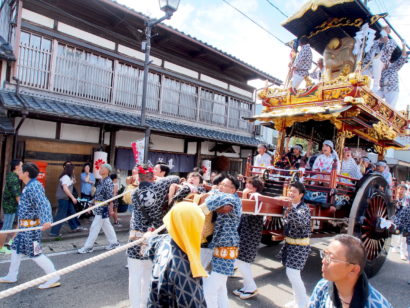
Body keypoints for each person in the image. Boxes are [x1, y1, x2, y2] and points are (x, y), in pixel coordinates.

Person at [0, 163, 60, 289]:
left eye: (21, 170)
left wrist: (46, 220)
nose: (19, 172)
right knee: (16, 248)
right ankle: (12, 275)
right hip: (24, 228)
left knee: (35, 253)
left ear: (26, 173)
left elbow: (43, 203)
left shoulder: (34, 186)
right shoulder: (30, 185)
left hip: (31, 229)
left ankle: (54, 276)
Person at [127, 164, 179, 308]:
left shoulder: (134, 193)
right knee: (149, 274)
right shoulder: (161, 185)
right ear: (152, 176)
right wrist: (158, 180)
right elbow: (175, 177)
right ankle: (145, 304)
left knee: (134, 275)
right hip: (155, 236)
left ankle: (134, 305)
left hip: (136, 237)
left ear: (139, 177)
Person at [145, 202, 208, 307]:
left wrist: (148, 236)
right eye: (200, 223)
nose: (204, 228)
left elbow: (151, 243)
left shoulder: (164, 242)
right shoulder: (185, 266)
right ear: (189, 226)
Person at [308, 234, 393, 307]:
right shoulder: (322, 287)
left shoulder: (377, 304)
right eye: (325, 254)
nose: (323, 261)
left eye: (331, 258)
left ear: (353, 269)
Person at [200, 175, 242, 308]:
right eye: (220, 184)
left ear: (233, 189)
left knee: (209, 290)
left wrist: (200, 207)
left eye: (224, 185)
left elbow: (211, 201)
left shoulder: (231, 199)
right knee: (221, 289)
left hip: (227, 246)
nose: (221, 187)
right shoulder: (227, 196)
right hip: (221, 245)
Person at [233, 176, 264, 300]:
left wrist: (245, 195)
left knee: (242, 261)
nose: (246, 185)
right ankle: (246, 287)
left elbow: (244, 208)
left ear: (254, 187)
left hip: (250, 234)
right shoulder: (254, 196)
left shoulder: (256, 197)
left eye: (249, 184)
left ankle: (251, 288)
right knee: (243, 261)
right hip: (246, 232)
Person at [77, 164, 119, 253]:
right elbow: (97, 195)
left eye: (102, 168)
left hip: (103, 208)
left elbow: (110, 197)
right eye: (100, 168)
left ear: (107, 170)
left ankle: (88, 246)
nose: (100, 169)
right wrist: (91, 204)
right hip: (98, 206)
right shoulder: (100, 181)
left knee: (94, 227)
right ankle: (114, 243)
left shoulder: (108, 182)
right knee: (106, 226)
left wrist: (110, 209)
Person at [282, 182, 311, 308]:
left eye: (294, 192)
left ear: (301, 195)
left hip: (300, 246)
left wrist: (290, 207)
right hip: (290, 244)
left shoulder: (304, 208)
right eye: (290, 191)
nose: (291, 193)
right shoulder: (290, 206)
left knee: (293, 273)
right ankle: (297, 300)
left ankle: (303, 303)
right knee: (292, 274)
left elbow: (300, 222)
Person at [49, 163, 84, 237]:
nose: (74, 171)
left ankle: (75, 227)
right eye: (73, 170)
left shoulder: (67, 177)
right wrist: (72, 197)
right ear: (70, 170)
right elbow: (65, 188)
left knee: (71, 212)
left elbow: (70, 184)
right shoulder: (65, 177)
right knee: (61, 215)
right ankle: (54, 232)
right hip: (64, 198)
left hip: (65, 198)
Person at [363, 26, 397, 91]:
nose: (384, 31)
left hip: (382, 62)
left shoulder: (392, 42)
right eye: (383, 29)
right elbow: (369, 52)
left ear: (388, 32)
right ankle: (364, 87)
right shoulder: (375, 42)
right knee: (364, 71)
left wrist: (384, 35)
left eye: (386, 30)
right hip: (370, 62)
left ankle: (376, 86)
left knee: (377, 61)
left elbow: (389, 48)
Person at [0, 159, 22, 254]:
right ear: (16, 167)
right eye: (21, 165)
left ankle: (8, 243)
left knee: (16, 223)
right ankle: (0, 248)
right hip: (10, 206)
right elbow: (16, 194)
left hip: (10, 204)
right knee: (6, 227)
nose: (22, 167)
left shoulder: (13, 176)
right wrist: (22, 205)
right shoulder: (13, 178)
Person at [377, 42, 407, 108]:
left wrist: (404, 46)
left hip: (392, 89)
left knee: (390, 108)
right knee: (374, 96)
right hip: (382, 89)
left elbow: (403, 57)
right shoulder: (380, 70)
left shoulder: (394, 67)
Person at [391, 184, 409, 260]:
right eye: (399, 189)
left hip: (406, 219)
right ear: (397, 190)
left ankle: (402, 252)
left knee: (404, 237)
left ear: (405, 191)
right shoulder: (395, 198)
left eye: (403, 189)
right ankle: (395, 247)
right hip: (397, 218)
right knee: (397, 234)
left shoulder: (408, 199)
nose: (401, 190)